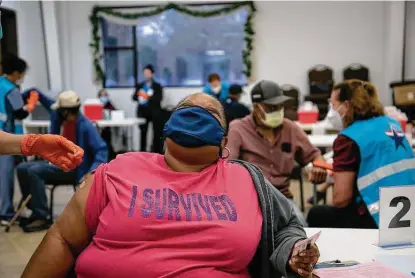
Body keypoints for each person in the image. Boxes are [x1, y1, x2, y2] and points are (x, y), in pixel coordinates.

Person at [22, 93, 320, 278]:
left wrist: (293, 251)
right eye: (187, 109)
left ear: (224, 140)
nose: (197, 113)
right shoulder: (120, 169)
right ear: (167, 130)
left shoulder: (247, 179)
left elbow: (289, 226)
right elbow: (61, 237)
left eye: (209, 113)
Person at [307, 80, 415, 228]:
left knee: (316, 214)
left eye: (333, 105)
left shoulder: (348, 138)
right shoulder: (391, 123)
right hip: (408, 210)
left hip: (378, 216)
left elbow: (341, 199)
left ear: (345, 106)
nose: (331, 112)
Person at [226, 80, 327, 225]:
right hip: (251, 199)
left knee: (300, 229)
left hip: (283, 199)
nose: (277, 111)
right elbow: (226, 167)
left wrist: (319, 167)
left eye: (280, 106)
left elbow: (315, 155)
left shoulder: (290, 128)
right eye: (271, 107)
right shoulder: (238, 129)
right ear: (256, 107)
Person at [16, 90, 108, 232]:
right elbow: (38, 93)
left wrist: (91, 172)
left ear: (65, 112)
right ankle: (35, 209)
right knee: (22, 168)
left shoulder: (85, 126)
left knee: (34, 171)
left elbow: (101, 150)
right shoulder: (61, 116)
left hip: (73, 169)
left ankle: (43, 216)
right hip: (56, 163)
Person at [0, 54, 35, 223]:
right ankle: (6, 213)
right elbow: (20, 112)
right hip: (8, 137)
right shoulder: (11, 89)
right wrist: (31, 105)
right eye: (21, 74)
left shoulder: (1, 84)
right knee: (7, 176)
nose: (22, 77)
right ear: (15, 73)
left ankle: (6, 210)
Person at [132, 64, 164, 153]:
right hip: (143, 112)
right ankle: (142, 153)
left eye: (148, 73)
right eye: (144, 73)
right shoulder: (140, 85)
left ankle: (157, 152)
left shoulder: (157, 86)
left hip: (154, 112)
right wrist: (140, 95)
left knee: (156, 134)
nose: (146, 75)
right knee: (143, 133)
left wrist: (148, 97)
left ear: (152, 74)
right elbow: (133, 97)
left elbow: (160, 98)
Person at [98, 89, 116, 160]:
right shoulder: (96, 105)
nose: (104, 97)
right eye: (102, 95)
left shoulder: (109, 105)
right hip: (98, 128)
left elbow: (115, 112)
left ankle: (109, 155)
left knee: (106, 135)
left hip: (107, 128)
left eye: (105, 95)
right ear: (98, 96)